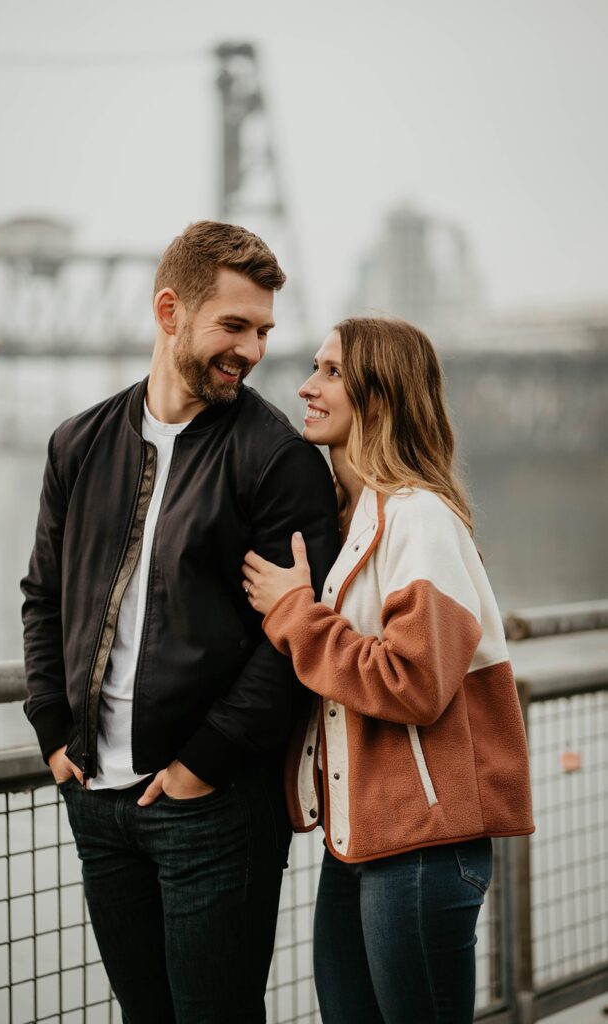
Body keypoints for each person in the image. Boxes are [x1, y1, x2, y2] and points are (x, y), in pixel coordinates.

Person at [21, 220, 340, 1024]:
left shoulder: (279, 459)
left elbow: (290, 640)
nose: (255, 349)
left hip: (216, 807)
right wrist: (53, 733)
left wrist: (205, 761)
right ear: (170, 312)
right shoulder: (77, 444)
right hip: (97, 800)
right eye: (234, 325)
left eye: (264, 329)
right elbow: (41, 597)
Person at [242, 316, 535, 1024]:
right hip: (365, 841)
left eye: (331, 372)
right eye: (314, 368)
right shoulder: (359, 522)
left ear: (380, 396)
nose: (307, 387)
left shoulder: (420, 520)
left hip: (423, 851)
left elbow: (414, 682)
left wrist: (294, 615)